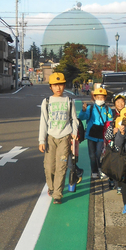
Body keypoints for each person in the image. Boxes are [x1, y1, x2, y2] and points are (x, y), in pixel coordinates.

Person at [39, 72, 78, 204]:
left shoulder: (69, 101)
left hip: (65, 137)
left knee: (61, 166)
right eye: (55, 85)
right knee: (49, 166)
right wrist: (41, 140)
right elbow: (43, 121)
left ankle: (57, 194)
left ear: (64, 85)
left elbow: (74, 119)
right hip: (50, 137)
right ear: (50, 86)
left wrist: (74, 132)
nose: (58, 88)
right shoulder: (47, 101)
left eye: (60, 84)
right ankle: (52, 187)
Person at [78, 87, 112, 179]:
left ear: (105, 98)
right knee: (92, 155)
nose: (100, 100)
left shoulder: (108, 109)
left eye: (102, 98)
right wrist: (83, 110)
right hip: (91, 135)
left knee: (99, 154)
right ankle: (94, 171)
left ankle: (101, 169)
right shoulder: (90, 108)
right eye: (98, 97)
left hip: (102, 135)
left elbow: (110, 122)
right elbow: (82, 117)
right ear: (94, 98)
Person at [106, 94, 126, 192]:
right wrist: (113, 132)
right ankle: (111, 180)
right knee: (113, 164)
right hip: (114, 145)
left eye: (122, 102)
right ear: (114, 104)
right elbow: (107, 135)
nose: (120, 104)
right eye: (118, 102)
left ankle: (120, 185)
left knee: (122, 166)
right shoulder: (112, 115)